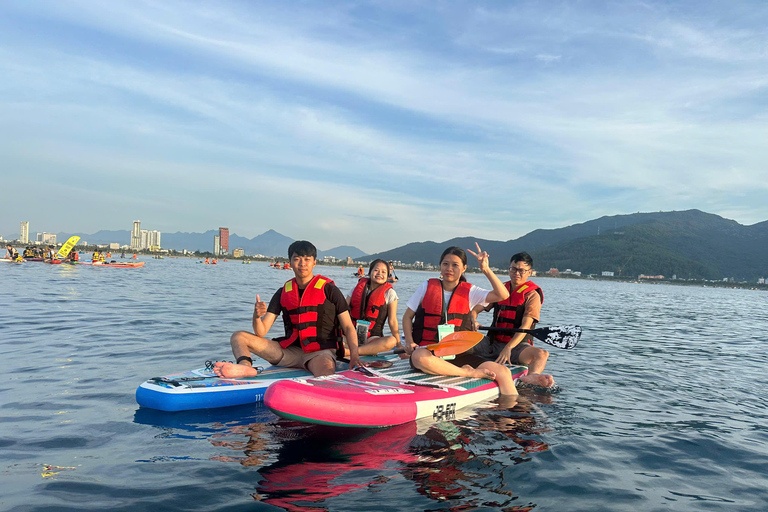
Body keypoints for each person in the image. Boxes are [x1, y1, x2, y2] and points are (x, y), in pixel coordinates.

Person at [214, 240, 362, 379]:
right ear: (290, 262)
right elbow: (261, 331)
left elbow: (348, 327)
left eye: (307, 259)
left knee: (325, 378)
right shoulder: (283, 292)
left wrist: (354, 356)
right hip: (290, 352)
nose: (302, 264)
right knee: (238, 336)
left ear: (314, 262)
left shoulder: (330, 290)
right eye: (297, 259)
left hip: (320, 353)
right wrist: (257, 316)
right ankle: (245, 367)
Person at [402, 243, 517, 395]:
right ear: (440, 266)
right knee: (419, 358)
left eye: (455, 265)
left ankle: (513, 412)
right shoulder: (426, 286)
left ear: (464, 268)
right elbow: (407, 317)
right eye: (445, 264)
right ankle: (468, 373)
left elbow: (503, 295)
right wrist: (410, 342)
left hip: (459, 353)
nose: (449, 269)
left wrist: (486, 270)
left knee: (502, 372)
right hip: (430, 352)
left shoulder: (470, 291)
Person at [472, 252, 554, 388]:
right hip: (491, 343)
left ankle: (532, 376)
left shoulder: (532, 295)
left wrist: (509, 347)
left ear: (530, 272)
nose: (516, 273)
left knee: (542, 354)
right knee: (463, 339)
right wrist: (473, 318)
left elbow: (526, 325)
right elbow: (477, 308)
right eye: (513, 269)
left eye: (521, 270)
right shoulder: (502, 289)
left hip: (517, 347)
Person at [346, 259, 400, 356]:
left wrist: (399, 344)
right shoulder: (355, 289)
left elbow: (392, 321)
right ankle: (357, 349)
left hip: (372, 339)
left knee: (391, 341)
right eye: (376, 270)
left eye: (384, 272)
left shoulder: (390, 294)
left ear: (388, 275)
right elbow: (343, 312)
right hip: (351, 335)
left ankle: (352, 352)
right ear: (370, 272)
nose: (379, 274)